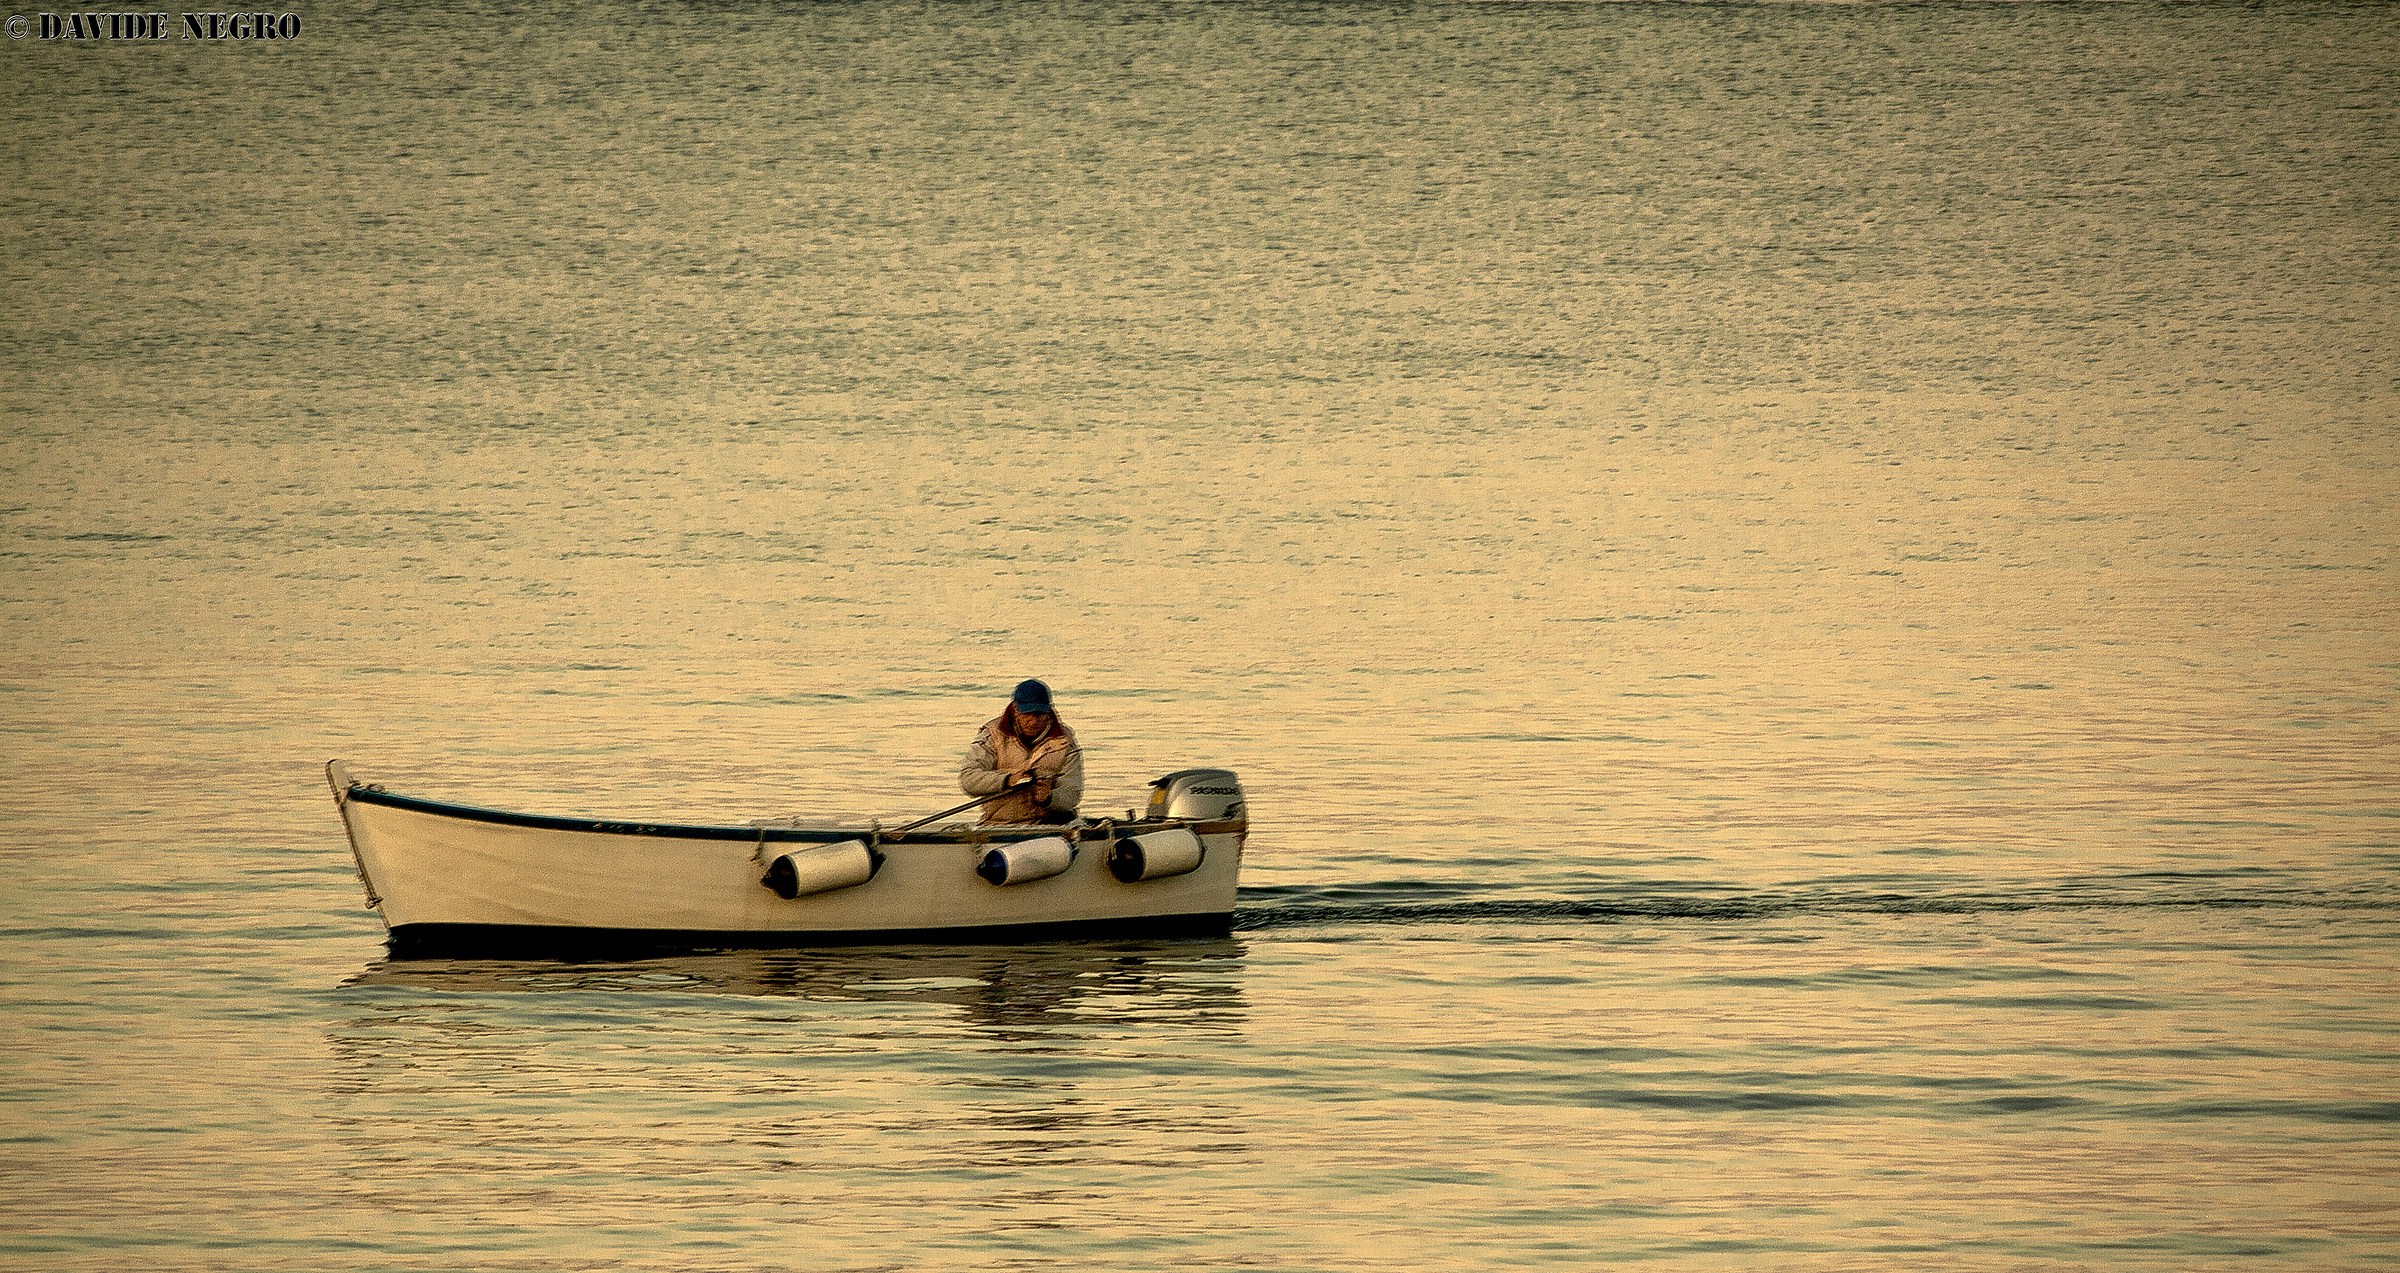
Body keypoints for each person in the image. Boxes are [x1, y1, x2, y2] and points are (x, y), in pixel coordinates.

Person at [958, 679, 1084, 826]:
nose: (1033, 721)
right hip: (998, 824)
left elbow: (1072, 793)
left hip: (1048, 826)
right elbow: (968, 779)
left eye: (1038, 714)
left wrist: (1049, 798)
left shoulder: (1065, 740)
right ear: (1015, 710)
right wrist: (1007, 780)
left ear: (1049, 711)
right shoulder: (992, 735)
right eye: (1026, 714)